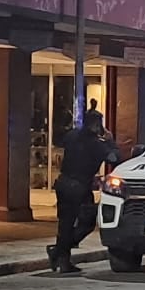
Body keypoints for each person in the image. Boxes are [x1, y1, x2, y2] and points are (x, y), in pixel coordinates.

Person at [47, 107, 119, 274]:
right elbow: (114, 158)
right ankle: (59, 251)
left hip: (64, 183)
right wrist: (110, 141)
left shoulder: (72, 136)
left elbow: (63, 141)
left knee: (65, 223)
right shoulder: (96, 144)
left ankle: (62, 259)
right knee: (87, 221)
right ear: (96, 126)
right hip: (79, 187)